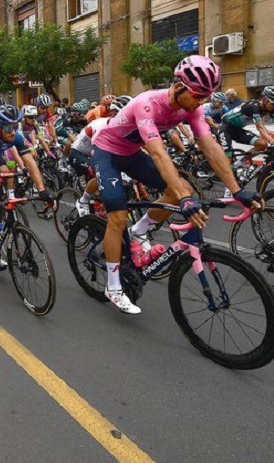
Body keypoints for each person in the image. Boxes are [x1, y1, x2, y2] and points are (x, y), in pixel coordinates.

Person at [90, 56, 261, 314]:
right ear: (179, 86)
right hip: (106, 150)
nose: (201, 102)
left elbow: (211, 148)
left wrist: (237, 190)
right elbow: (158, 153)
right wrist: (183, 199)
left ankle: (140, 230)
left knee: (183, 189)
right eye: (198, 95)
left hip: (131, 153)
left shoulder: (193, 109)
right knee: (118, 215)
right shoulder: (147, 104)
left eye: (206, 96)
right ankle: (113, 287)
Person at [0, 104, 53, 247]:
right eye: (8, 128)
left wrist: (42, 190)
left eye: (15, 127)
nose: (13, 132)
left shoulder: (14, 137)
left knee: (6, 174)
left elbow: (30, 162)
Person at [217, 85, 274, 156]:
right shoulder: (253, 107)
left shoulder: (267, 109)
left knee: (262, 144)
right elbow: (260, 127)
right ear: (265, 100)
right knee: (228, 157)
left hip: (237, 130)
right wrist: (272, 141)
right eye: (273, 104)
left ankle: (241, 161)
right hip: (225, 128)